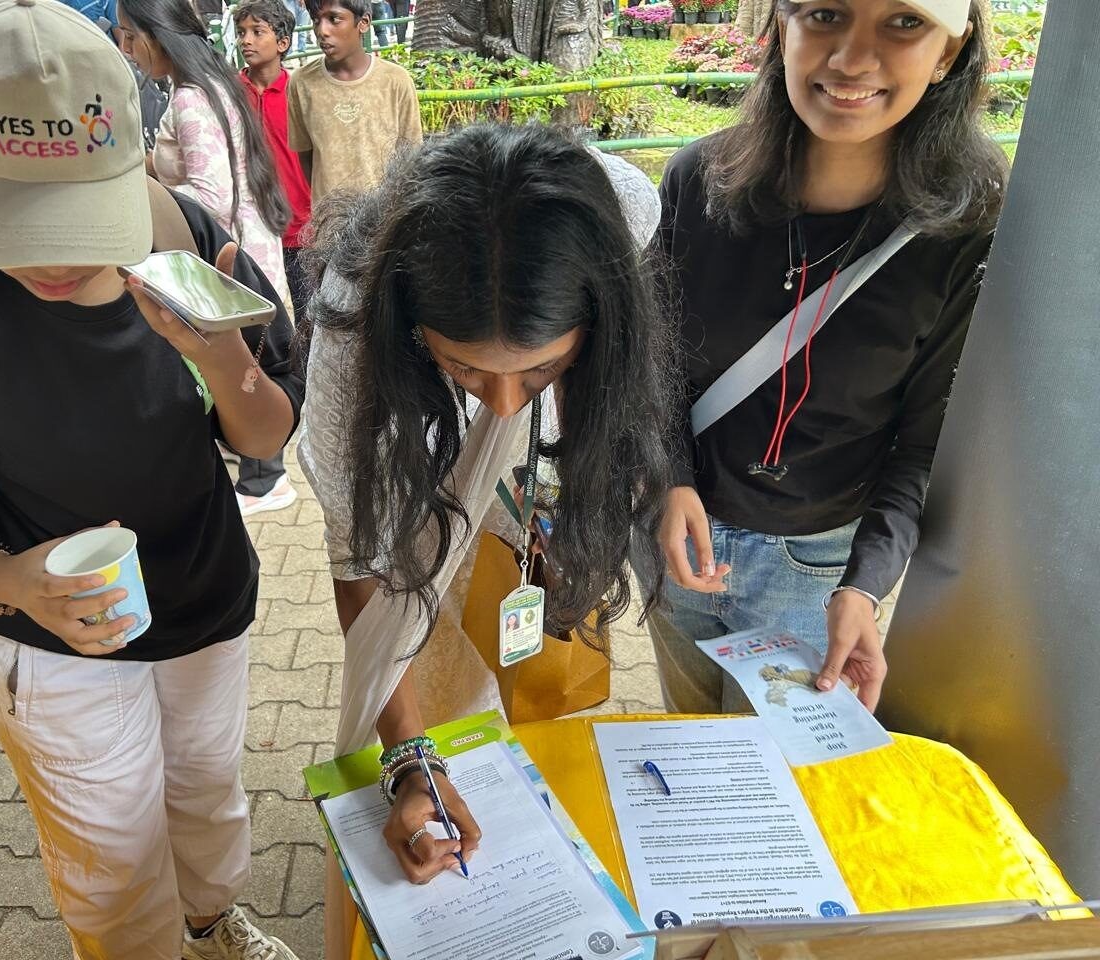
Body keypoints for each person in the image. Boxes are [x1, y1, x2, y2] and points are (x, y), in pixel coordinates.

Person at [0, 1, 304, 958]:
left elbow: (266, 430)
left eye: (86, 212)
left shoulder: (182, 234)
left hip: (206, 595)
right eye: (21, 221)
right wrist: (8, 580)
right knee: (108, 853)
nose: (59, 257)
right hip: (52, 643)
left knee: (208, 793)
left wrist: (224, 362)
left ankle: (211, 918)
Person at [298, 123, 678, 887]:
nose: (505, 404)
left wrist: (576, 487)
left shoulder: (626, 207)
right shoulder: (354, 325)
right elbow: (362, 563)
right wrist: (410, 763)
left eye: (539, 370)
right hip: (420, 481)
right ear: (412, 328)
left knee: (530, 649)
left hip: (529, 494)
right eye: (467, 368)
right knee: (438, 673)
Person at [641, 0, 1007, 714]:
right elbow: (650, 368)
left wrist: (864, 585)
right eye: (826, 13)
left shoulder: (966, 226)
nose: (851, 59)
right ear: (782, 28)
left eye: (904, 22)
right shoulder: (696, 181)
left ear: (950, 51)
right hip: (675, 537)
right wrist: (669, 480)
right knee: (688, 748)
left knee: (782, 773)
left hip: (816, 571)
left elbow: (926, 443)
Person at [120, 0, 300, 517]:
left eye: (130, 36)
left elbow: (211, 195)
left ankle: (265, 480)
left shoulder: (191, 98)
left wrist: (154, 204)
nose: (126, 49)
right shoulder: (214, 86)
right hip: (248, 245)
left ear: (157, 34)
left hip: (226, 257)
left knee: (243, 362)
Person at [287, 0, 421, 205]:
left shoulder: (395, 81)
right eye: (316, 20)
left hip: (383, 214)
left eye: (334, 19)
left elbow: (410, 157)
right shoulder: (302, 82)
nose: (322, 31)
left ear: (363, 23)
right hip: (329, 216)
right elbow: (305, 154)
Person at [235, 0, 314, 321]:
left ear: (282, 43)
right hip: (249, 225)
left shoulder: (300, 91)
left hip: (299, 226)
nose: (246, 40)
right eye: (241, 32)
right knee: (258, 316)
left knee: (308, 315)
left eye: (257, 32)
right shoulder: (231, 92)